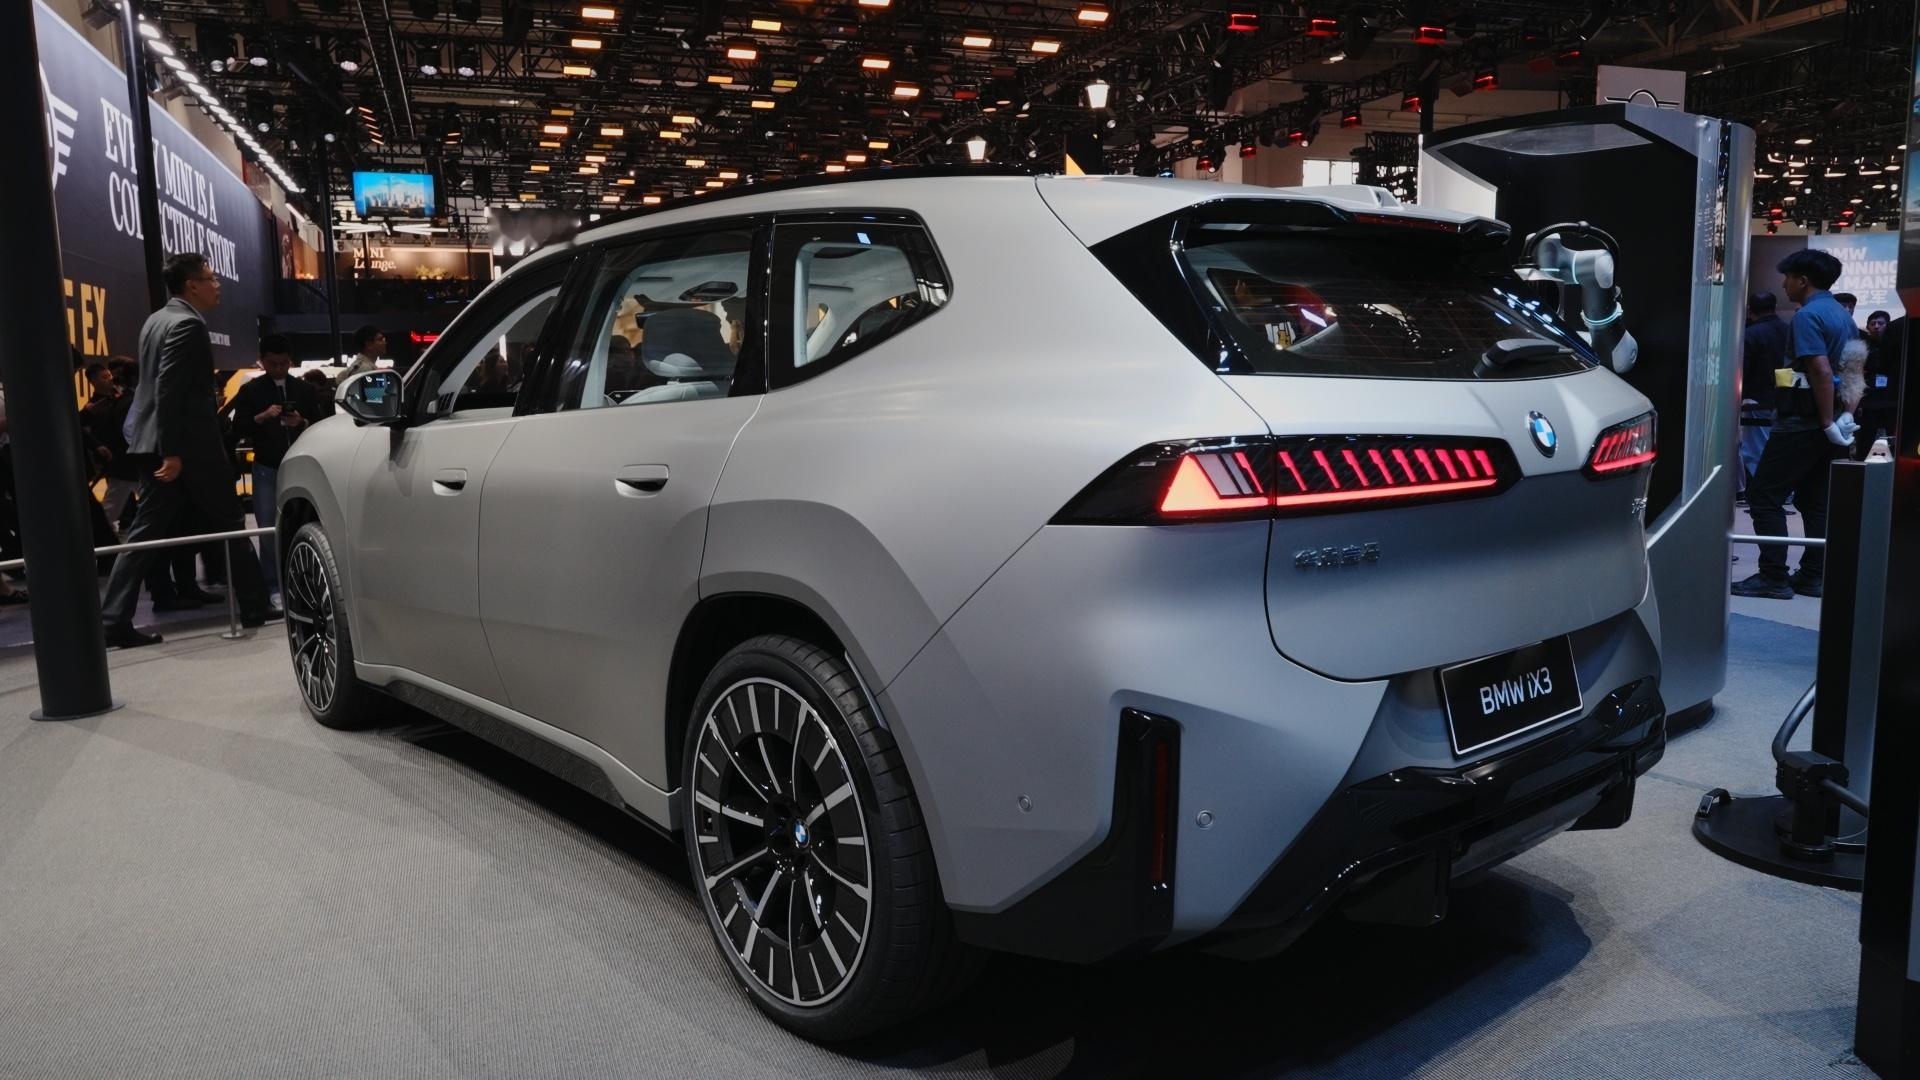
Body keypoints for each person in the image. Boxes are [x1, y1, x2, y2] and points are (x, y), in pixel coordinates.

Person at [99, 253, 279, 648]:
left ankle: (114, 618)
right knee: (228, 523)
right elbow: (171, 389)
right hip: (186, 449)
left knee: (149, 532)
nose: (217, 285)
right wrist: (174, 452)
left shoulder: (156, 320)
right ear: (191, 285)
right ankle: (255, 605)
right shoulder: (187, 324)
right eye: (211, 278)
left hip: (158, 443)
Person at [1733, 250, 1859, 600]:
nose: (1783, 283)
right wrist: (1844, 416)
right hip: (1828, 422)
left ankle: (1773, 576)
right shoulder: (1843, 316)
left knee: (1764, 495)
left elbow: (1820, 370)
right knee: (1815, 500)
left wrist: (1826, 420)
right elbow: (1854, 370)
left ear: (1802, 280)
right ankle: (1813, 576)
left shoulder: (1807, 316)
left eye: (1787, 277)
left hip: (1802, 421)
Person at [229, 335, 318, 601]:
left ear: (290, 361)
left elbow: (321, 422)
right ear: (262, 361)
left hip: (301, 467)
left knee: (304, 525)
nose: (279, 368)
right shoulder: (251, 391)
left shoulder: (304, 389)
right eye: (272, 363)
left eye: (283, 363)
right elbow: (239, 427)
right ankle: (273, 585)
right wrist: (262, 417)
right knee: (268, 528)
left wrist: (301, 422)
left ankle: (304, 582)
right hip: (267, 467)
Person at [1738, 291, 1789, 499]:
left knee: (1755, 451)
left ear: (1750, 309)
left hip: (1755, 400)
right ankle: (1783, 493)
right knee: (1780, 450)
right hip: (1785, 399)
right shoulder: (1788, 330)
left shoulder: (1750, 334)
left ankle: (1767, 495)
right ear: (1774, 307)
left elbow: (1743, 370)